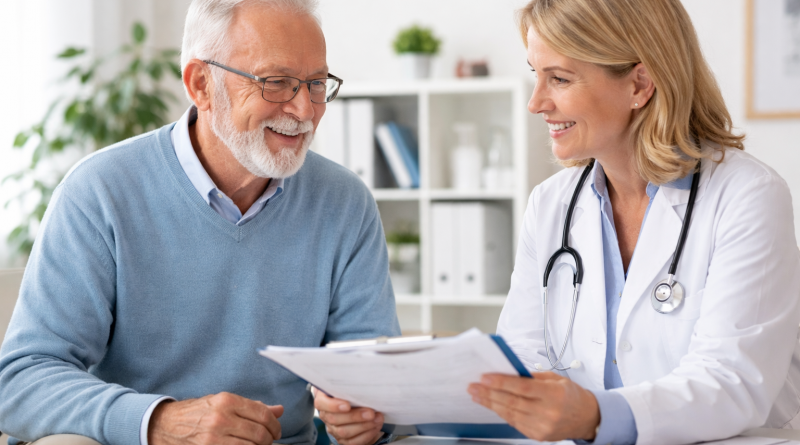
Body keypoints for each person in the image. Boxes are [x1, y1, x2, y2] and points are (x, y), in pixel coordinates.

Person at [0, 1, 400, 444]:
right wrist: (159, 422)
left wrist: (368, 411)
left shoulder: (345, 202)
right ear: (201, 85)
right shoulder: (99, 192)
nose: (305, 110)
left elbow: (379, 377)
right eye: (277, 83)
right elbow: (20, 381)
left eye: (317, 83)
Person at [462, 1, 800, 444]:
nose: (535, 103)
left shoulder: (746, 197)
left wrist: (594, 415)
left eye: (559, 79)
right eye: (536, 75)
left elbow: (731, 381)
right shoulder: (550, 205)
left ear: (639, 83)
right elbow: (523, 359)